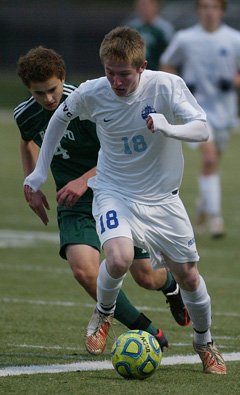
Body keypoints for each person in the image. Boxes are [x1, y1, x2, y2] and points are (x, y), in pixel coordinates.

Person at [23, 28, 226, 374]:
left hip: (163, 200)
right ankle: (103, 313)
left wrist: (168, 127)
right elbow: (60, 118)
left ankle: (204, 341)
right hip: (114, 192)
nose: (116, 82)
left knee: (189, 277)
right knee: (118, 258)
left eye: (124, 74)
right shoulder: (93, 92)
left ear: (142, 67)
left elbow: (201, 127)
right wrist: (40, 171)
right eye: (110, 72)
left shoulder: (166, 86)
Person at [160, 0, 240, 238]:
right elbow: (166, 64)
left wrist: (233, 82)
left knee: (213, 163)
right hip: (195, 111)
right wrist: (182, 84)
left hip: (225, 114)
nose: (209, 12)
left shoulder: (235, 39)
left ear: (222, 11)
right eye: (204, 7)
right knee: (208, 160)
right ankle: (216, 219)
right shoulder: (185, 38)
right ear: (198, 10)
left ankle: (203, 208)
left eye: (214, 7)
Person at [125, 0, 174, 70]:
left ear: (156, 6)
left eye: (148, 5)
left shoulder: (164, 29)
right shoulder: (131, 28)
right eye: (142, 5)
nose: (145, 8)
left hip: (157, 70)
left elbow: (170, 54)